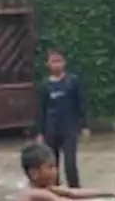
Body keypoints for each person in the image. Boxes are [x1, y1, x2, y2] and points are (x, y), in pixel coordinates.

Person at [34, 49, 89, 188]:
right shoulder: (45, 85)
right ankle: (55, 190)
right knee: (52, 163)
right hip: (50, 129)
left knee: (70, 162)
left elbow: (80, 104)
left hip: (69, 129)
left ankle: (75, 190)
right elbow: (41, 110)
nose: (57, 64)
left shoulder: (73, 81)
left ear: (64, 63)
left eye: (59, 61)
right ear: (47, 64)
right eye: (53, 61)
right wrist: (39, 132)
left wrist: (84, 126)